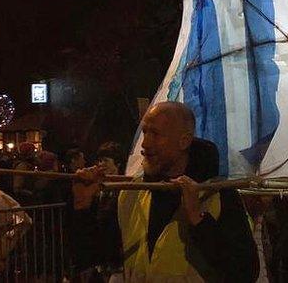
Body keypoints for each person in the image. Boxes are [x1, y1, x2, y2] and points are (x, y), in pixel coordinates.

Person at [78, 102, 259, 281]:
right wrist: (82, 207)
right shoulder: (131, 194)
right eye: (145, 132)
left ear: (184, 141)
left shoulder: (218, 196)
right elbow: (99, 254)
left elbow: (245, 272)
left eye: (155, 134)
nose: (145, 144)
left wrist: (199, 221)